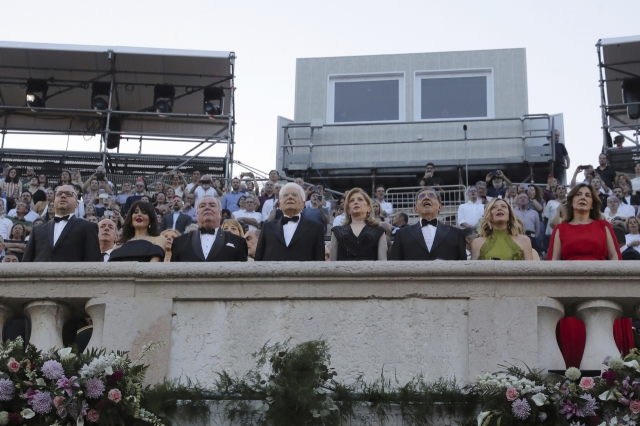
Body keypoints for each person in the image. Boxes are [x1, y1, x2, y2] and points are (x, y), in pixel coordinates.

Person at [22, 185, 101, 262]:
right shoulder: (37, 229)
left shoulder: (88, 227)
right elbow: (26, 261)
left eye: (68, 194)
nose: (63, 196)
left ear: (77, 204)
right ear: (54, 201)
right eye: (59, 194)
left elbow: (93, 262)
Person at [389, 187, 466, 261]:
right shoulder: (402, 234)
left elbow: (463, 266)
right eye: (422, 196)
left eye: (431, 195)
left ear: (440, 207)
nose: (426, 197)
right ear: (416, 208)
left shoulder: (456, 233)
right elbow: (395, 264)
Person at [255, 183, 325, 261]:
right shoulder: (267, 227)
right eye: (285, 195)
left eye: (295, 195)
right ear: (279, 204)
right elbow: (258, 259)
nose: (290, 197)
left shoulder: (316, 228)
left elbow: (319, 260)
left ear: (303, 204)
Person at [548, 183, 619, 260]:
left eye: (587, 195)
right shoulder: (560, 229)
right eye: (578, 194)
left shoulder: (603, 226)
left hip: (599, 271)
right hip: (569, 271)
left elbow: (614, 257)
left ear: (592, 205)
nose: (583, 198)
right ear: (571, 202)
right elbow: (554, 261)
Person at [170, 196, 248, 262]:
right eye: (202, 206)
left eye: (212, 205)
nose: (207, 208)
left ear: (220, 214)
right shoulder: (179, 242)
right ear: (197, 214)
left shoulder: (238, 242)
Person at [329, 187, 386, 261]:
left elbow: (383, 263)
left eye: (360, 199)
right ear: (348, 210)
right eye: (352, 201)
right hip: (344, 271)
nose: (356, 202)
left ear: (369, 208)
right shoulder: (337, 231)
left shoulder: (379, 231)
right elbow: (332, 263)